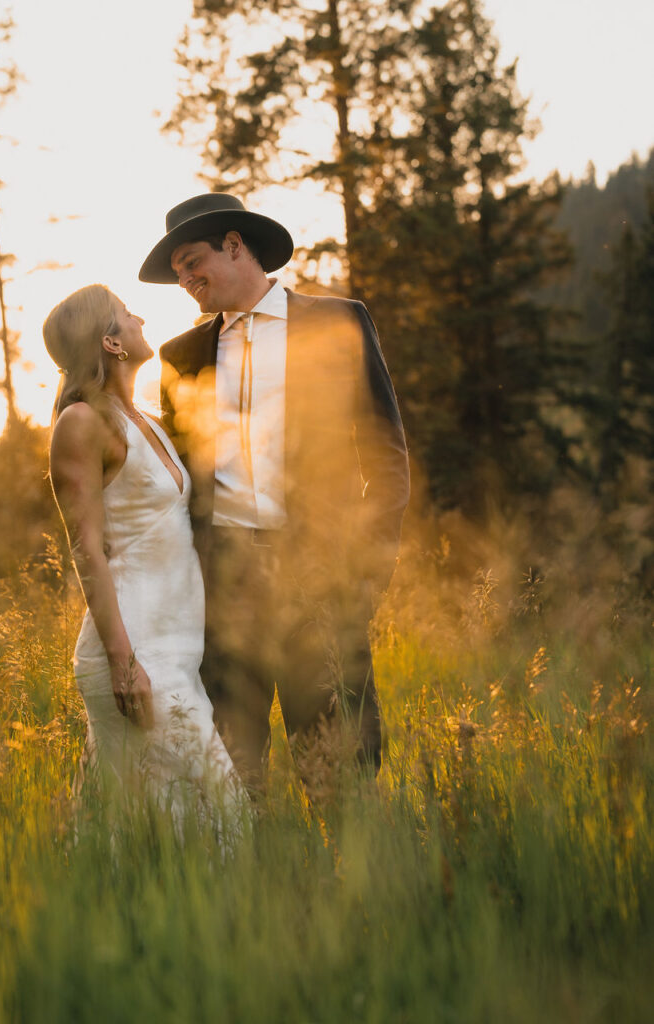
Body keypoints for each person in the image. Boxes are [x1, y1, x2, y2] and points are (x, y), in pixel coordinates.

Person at [138, 193, 410, 785]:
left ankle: (359, 875)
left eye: (190, 261)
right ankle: (251, 875)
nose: (184, 279)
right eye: (177, 271)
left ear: (235, 245)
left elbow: (385, 455)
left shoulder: (338, 321)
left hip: (322, 577)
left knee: (342, 770)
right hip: (224, 587)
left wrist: (367, 570)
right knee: (233, 775)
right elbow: (182, 484)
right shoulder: (180, 356)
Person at [42, 283, 242, 818]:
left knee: (152, 825)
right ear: (110, 343)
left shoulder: (147, 419)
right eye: (129, 314)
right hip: (135, 653)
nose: (141, 319)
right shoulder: (82, 422)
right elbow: (86, 550)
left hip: (177, 648)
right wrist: (124, 663)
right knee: (221, 815)